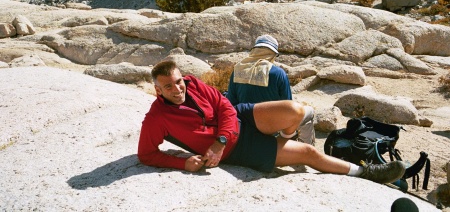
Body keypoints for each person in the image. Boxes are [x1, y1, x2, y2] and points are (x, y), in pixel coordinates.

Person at [138, 60, 406, 184]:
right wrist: (182, 162)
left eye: (178, 82)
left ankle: (283, 141)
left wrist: (220, 140)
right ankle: (367, 173)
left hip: (238, 119)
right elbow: (146, 154)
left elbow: (224, 107)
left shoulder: (193, 83)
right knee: (309, 153)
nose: (177, 89)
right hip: (239, 148)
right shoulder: (157, 118)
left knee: (296, 110)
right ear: (158, 90)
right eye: (168, 86)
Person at [226, 34, 315, 145]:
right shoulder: (278, 73)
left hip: (245, 125)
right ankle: (303, 152)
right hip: (272, 127)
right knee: (309, 112)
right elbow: (288, 105)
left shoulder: (237, 70)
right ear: (273, 54)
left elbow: (231, 103)